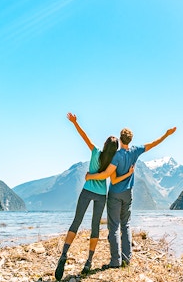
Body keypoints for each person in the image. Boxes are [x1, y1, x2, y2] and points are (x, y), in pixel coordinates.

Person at [55, 113, 134, 281]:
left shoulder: (95, 151)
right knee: (95, 227)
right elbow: (113, 178)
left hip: (87, 191)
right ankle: (89, 261)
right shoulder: (113, 160)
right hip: (101, 196)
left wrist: (75, 122)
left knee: (76, 221)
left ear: (105, 144)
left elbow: (83, 136)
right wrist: (128, 173)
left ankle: (64, 254)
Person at [86, 125, 177, 269]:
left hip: (115, 194)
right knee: (126, 225)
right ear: (130, 139)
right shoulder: (135, 151)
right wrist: (166, 134)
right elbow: (153, 144)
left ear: (120, 139)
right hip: (128, 194)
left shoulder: (116, 156)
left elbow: (112, 178)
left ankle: (115, 261)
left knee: (114, 227)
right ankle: (127, 260)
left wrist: (90, 176)